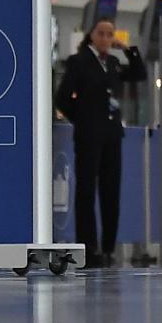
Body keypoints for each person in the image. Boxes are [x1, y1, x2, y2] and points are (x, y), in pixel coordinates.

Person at [56, 17, 129, 266]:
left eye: (111, 34)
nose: (106, 39)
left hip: (111, 134)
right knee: (87, 190)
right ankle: (88, 247)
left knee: (111, 191)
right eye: (102, 33)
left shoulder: (113, 62)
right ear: (92, 35)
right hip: (89, 134)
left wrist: (128, 49)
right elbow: (63, 98)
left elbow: (138, 73)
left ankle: (108, 247)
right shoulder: (79, 62)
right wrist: (82, 118)